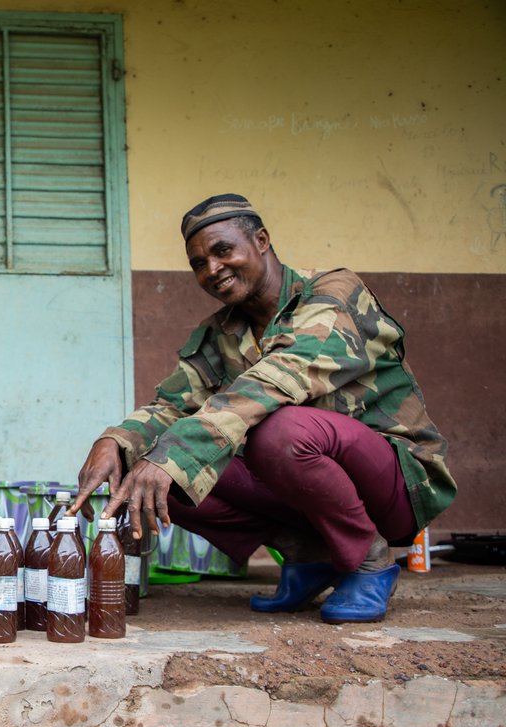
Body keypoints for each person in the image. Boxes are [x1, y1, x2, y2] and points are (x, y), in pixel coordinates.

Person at [70, 194, 457, 623]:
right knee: (151, 468)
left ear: (261, 240)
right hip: (304, 486)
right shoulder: (220, 332)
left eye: (223, 251)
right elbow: (170, 406)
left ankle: (369, 559)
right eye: (199, 263)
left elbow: (275, 381)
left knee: (279, 431)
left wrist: (173, 452)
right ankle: (309, 556)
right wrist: (115, 441)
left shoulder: (333, 293)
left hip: (397, 482)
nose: (213, 270)